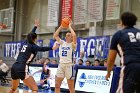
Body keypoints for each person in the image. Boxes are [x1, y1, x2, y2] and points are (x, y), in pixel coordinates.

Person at [9, 20, 57, 93]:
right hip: (22, 66)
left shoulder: (25, 42)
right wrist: (52, 48)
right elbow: (42, 49)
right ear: (35, 39)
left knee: (13, 89)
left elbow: (30, 34)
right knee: (35, 89)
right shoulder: (33, 46)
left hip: (14, 66)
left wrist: (35, 27)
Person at [106, 12, 140, 93]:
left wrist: (108, 72)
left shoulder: (119, 34)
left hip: (130, 66)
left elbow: (111, 58)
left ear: (122, 22)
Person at [53, 21, 77, 93]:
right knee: (57, 85)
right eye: (66, 35)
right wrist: (61, 26)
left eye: (68, 35)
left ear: (71, 38)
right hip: (61, 65)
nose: (66, 36)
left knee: (71, 87)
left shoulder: (73, 44)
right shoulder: (62, 42)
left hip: (69, 66)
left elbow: (74, 35)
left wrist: (69, 26)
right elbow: (55, 35)